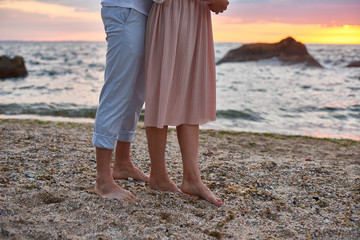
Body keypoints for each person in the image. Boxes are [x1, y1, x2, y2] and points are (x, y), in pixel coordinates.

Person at [144, 0, 229, 206]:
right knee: (161, 90)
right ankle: (158, 175)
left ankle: (192, 178)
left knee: (192, 91)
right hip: (170, 10)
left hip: (197, 14)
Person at [92, 0, 154, 201]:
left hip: (142, 10)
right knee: (117, 91)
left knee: (136, 94)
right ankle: (103, 181)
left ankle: (122, 162)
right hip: (125, 9)